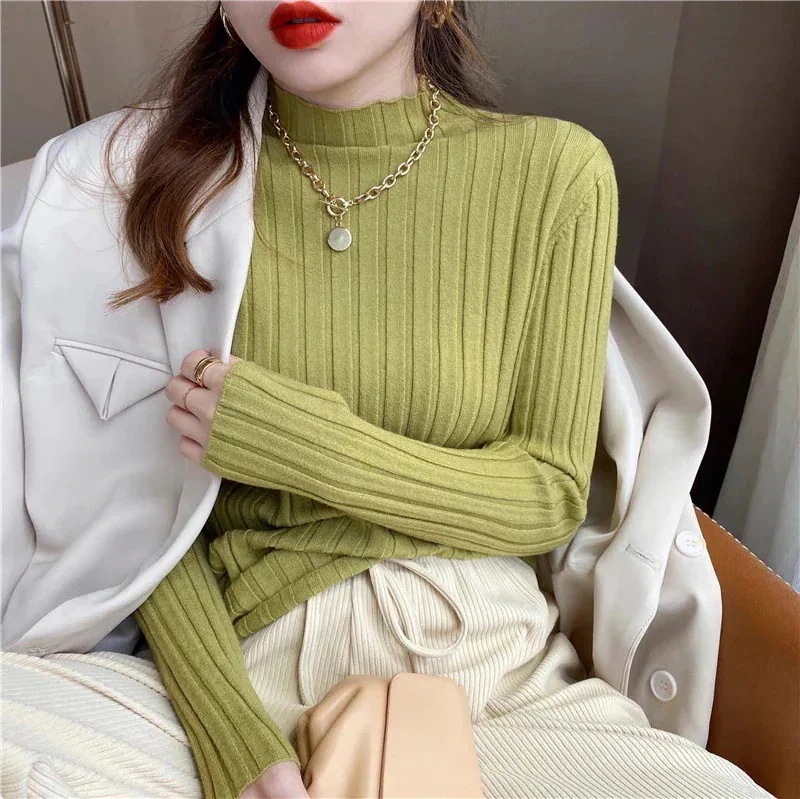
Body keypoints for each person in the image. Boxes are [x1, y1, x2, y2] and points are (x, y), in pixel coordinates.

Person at [0, 2, 777, 799]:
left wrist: (305, 444)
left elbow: (547, 491)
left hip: (495, 673)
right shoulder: (141, 179)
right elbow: (135, 518)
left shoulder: (553, 171)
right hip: (239, 672)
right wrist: (238, 746)